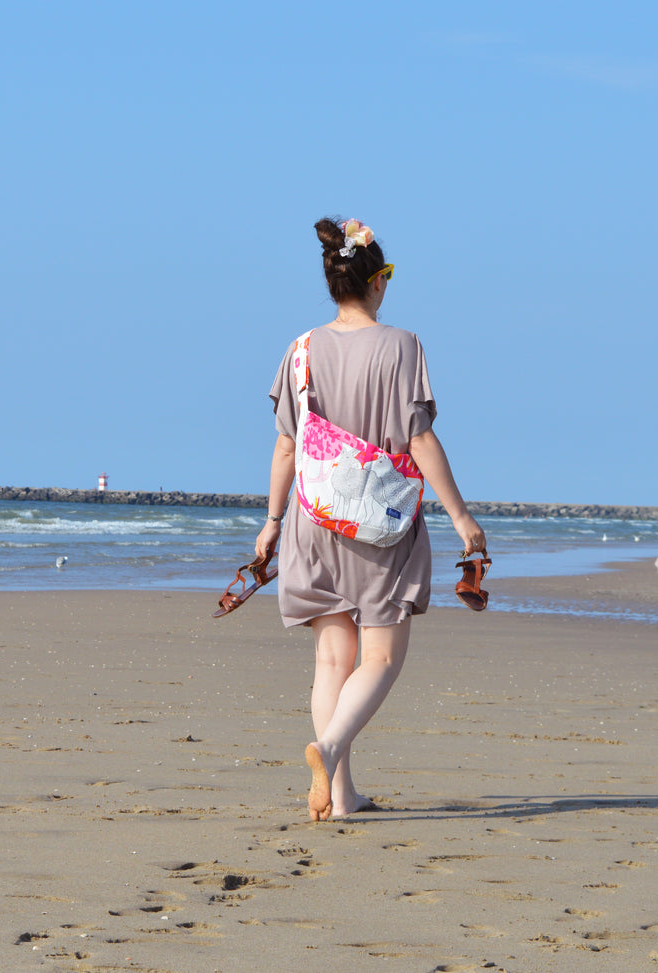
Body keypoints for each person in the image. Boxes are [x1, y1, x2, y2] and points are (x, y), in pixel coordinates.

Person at [254, 217, 487, 822]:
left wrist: (273, 521)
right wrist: (461, 516)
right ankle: (328, 750)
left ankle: (340, 793)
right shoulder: (402, 345)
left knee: (332, 660)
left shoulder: (299, 349)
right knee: (379, 658)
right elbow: (420, 438)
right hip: (379, 523)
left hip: (313, 519)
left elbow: (286, 446)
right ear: (377, 281)